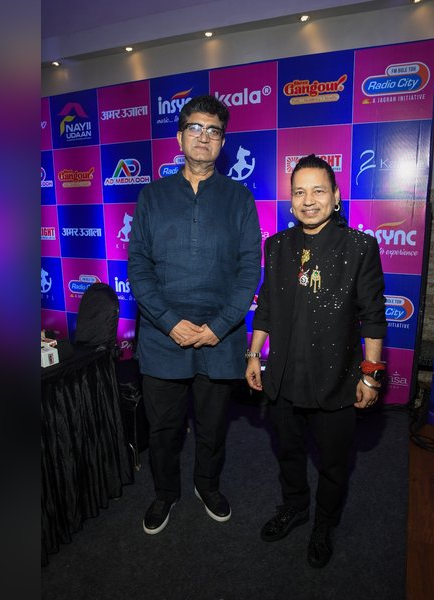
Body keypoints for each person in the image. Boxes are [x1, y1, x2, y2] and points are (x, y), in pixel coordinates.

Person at [245, 154, 387, 568]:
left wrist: (371, 375)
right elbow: (266, 306)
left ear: (336, 196)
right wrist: (254, 353)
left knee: (333, 464)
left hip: (335, 380)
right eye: (299, 192)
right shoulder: (276, 246)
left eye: (318, 191)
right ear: (291, 200)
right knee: (288, 453)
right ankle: (295, 507)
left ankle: (324, 523)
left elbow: (373, 317)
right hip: (283, 379)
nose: (308, 200)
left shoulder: (360, 247)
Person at [128, 94, 261, 535]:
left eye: (214, 131)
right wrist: (169, 321)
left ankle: (207, 485)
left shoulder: (240, 198)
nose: (204, 137)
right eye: (196, 128)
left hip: (218, 340)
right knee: (163, 430)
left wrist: (219, 326)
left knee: (213, 427)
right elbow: (138, 268)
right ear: (180, 136)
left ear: (222, 142)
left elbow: (249, 271)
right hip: (161, 338)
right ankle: (165, 493)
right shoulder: (152, 196)